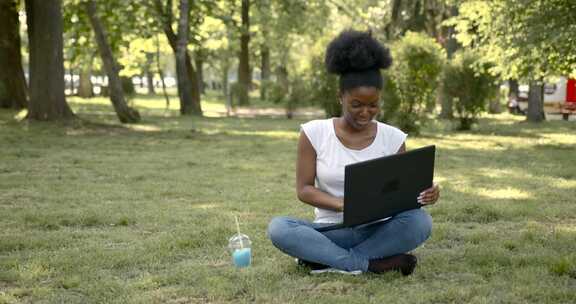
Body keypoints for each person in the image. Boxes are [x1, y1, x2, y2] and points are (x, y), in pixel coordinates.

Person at [267, 30, 440, 275]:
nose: (365, 112)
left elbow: (404, 194)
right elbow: (304, 190)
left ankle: (324, 260)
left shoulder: (393, 138)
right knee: (279, 228)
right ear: (341, 97)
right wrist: (341, 205)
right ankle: (370, 264)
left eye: (373, 105)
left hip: (379, 230)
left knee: (420, 221)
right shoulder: (314, 132)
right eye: (356, 104)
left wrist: (427, 193)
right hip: (331, 231)